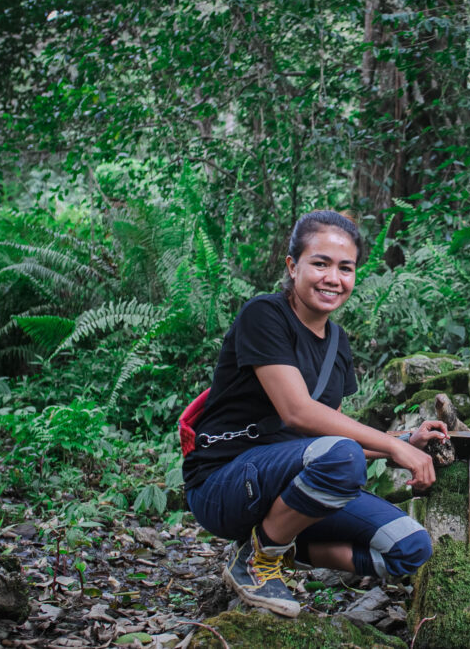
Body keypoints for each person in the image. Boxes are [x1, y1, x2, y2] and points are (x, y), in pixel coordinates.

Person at [182, 210, 448, 617]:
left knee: (409, 547)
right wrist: (398, 452)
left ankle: (276, 547)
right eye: (320, 263)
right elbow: (299, 414)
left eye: (346, 268)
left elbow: (326, 440)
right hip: (224, 482)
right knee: (341, 455)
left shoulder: (337, 344)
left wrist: (403, 443)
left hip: (288, 487)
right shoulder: (264, 316)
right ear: (293, 266)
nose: (333, 278)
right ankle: (257, 561)